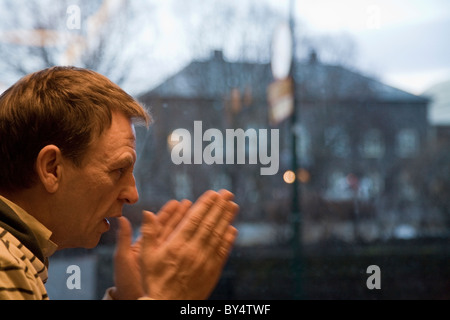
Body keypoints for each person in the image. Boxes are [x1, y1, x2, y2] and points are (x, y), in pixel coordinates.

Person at [0, 66, 239, 300]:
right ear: (51, 169)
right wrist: (167, 296)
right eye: (119, 170)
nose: (132, 195)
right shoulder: (5, 268)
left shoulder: (18, 257)